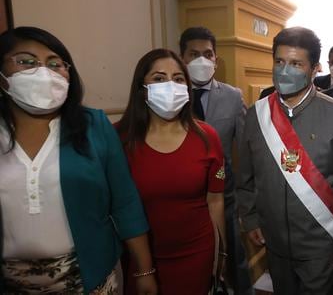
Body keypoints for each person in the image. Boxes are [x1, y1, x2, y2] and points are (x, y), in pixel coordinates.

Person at [0, 27, 156, 294]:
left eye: (55, 64)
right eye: (26, 61)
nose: (43, 72)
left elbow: (125, 202)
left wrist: (144, 271)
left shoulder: (93, 126)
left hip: (90, 277)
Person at [237, 27, 333, 294]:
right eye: (279, 62)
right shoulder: (257, 115)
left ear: (314, 69)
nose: (285, 70)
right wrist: (250, 219)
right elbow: (244, 177)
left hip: (321, 246)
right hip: (274, 245)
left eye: (296, 64)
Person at [116, 48, 226, 294]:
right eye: (158, 78)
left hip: (197, 254)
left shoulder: (207, 137)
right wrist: (143, 269)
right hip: (140, 261)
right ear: (141, 87)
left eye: (178, 79)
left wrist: (221, 255)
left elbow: (215, 201)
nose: (170, 85)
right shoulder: (118, 139)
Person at [179, 27, 253, 294]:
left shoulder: (233, 96)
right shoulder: (170, 96)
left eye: (207, 54)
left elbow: (245, 148)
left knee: (234, 255)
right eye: (194, 54)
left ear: (216, 59)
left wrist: (248, 198)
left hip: (225, 191)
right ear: (182, 58)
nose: (201, 60)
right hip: (185, 195)